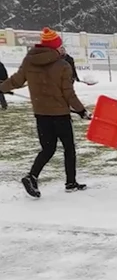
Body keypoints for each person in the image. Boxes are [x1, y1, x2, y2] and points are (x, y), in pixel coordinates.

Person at [0, 28, 91, 198]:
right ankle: (70, 182)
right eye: (60, 46)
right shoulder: (63, 65)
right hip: (60, 115)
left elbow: (16, 80)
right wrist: (81, 110)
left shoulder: (29, 61)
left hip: (41, 114)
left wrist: (2, 87)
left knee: (48, 149)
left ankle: (32, 176)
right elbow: (68, 94)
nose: (61, 49)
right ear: (55, 47)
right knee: (69, 148)